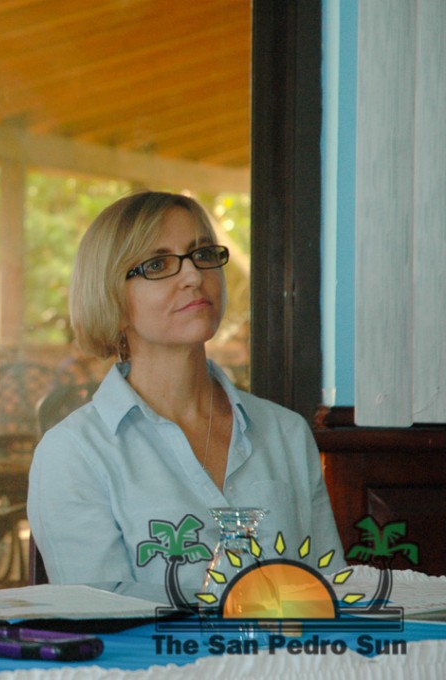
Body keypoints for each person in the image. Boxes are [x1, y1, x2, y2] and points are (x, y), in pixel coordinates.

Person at [27, 191, 343, 593]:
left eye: (203, 254)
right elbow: (100, 618)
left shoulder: (286, 432)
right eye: (158, 264)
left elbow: (328, 593)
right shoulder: (73, 453)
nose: (194, 276)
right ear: (111, 297)